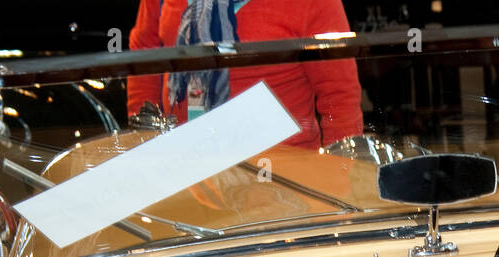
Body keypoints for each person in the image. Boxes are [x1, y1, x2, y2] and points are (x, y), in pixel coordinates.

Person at [127, 0, 363, 149]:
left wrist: (342, 176)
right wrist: (144, 143)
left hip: (284, 182)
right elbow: (145, 53)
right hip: (184, 168)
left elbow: (339, 97)